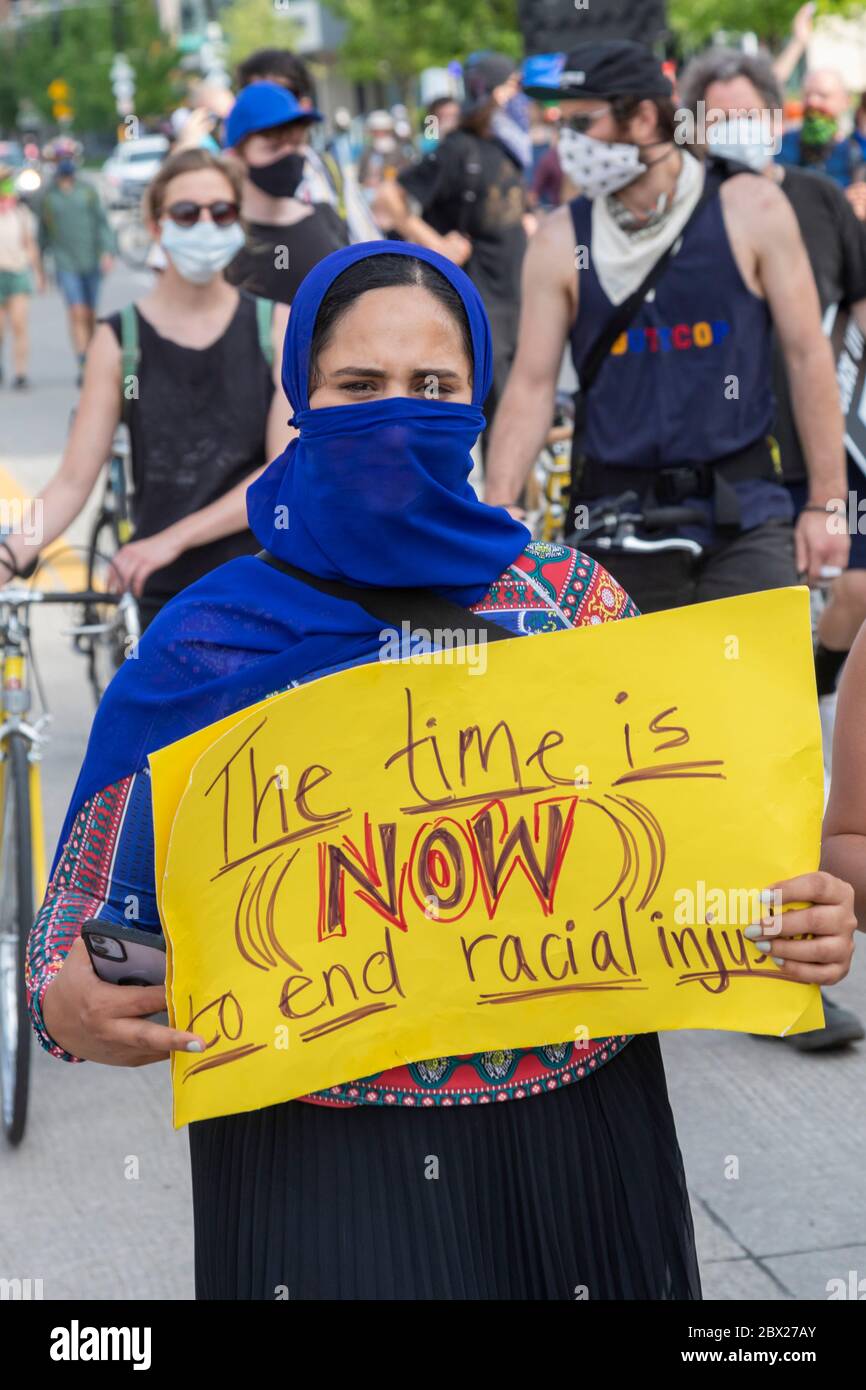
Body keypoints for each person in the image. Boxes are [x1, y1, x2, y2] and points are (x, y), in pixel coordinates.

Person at [21, 239, 761, 1301]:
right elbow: (94, 925)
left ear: (478, 396)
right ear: (301, 401)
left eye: (434, 386)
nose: (398, 413)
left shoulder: (573, 613)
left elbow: (689, 856)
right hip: (319, 1164)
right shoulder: (208, 644)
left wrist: (782, 912)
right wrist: (82, 1002)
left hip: (575, 1145)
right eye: (358, 386)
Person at [486, 40, 848, 601]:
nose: (569, 140)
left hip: (744, 515)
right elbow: (532, 383)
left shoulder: (749, 208)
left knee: (758, 689)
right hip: (614, 523)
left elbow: (808, 355)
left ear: (646, 116)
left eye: (585, 120)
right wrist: (501, 505)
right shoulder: (560, 239)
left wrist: (827, 504)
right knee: (632, 694)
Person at [678, 46, 866, 1051]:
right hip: (725, 498)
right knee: (713, 726)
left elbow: (835, 323)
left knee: (776, 716)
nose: (737, 128)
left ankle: (784, 958)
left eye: (751, 110)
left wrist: (829, 488)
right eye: (717, 116)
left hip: (819, 462)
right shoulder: (674, 221)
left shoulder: (815, 201)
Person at [0, 149, 290, 628]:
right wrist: (11, 553)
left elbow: (280, 475)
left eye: (221, 212)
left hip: (263, 584)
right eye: (185, 212)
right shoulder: (119, 340)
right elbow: (72, 481)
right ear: (156, 226)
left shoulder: (274, 327)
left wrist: (171, 539)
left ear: (238, 222)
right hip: (161, 596)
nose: (205, 225)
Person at [375, 52, 533, 450]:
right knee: (493, 416)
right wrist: (434, 243)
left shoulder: (507, 146)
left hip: (517, 296)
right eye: (511, 87)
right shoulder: (458, 149)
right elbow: (390, 197)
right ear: (491, 93)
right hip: (481, 301)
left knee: (521, 413)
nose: (519, 97)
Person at [222, 82, 349, 306]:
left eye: (297, 143)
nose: (290, 155)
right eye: (274, 147)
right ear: (236, 158)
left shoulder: (326, 218)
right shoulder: (222, 238)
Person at [37, 157, 115, 385]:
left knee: (90, 313)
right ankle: (83, 361)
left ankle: (92, 355)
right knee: (76, 311)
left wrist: (108, 251)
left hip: (90, 259)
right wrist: (39, 264)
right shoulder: (48, 197)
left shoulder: (87, 191)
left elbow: (102, 222)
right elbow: (43, 232)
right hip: (65, 261)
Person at [0, 159, 44, 388]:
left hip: (17, 272)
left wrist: (38, 274)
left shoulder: (21, 213)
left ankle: (20, 373)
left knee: (19, 323)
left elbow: (30, 245)